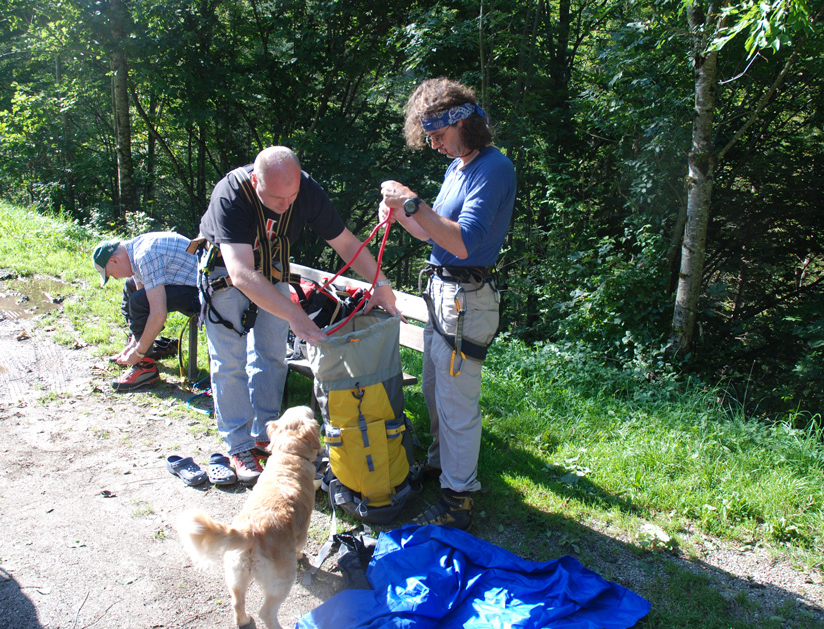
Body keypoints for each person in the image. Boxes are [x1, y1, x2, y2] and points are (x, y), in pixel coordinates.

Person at [198, 146, 398, 485]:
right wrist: (295, 314)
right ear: (256, 180)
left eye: (292, 196)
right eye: (278, 198)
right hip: (226, 272)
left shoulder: (304, 191)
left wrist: (380, 282)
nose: (287, 204)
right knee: (229, 359)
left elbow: (346, 243)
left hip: (272, 268)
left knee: (272, 353)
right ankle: (239, 445)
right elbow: (242, 273)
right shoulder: (231, 193)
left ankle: (266, 434)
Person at [379, 77, 516, 530]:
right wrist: (402, 215)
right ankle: (441, 470)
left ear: (463, 121)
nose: (434, 144)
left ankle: (460, 497)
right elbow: (432, 231)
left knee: (457, 404)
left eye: (438, 135)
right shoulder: (458, 167)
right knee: (436, 391)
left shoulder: (494, 168)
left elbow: (463, 241)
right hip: (442, 293)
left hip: (465, 298)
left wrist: (413, 204)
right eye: (430, 137)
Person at [92, 233, 199, 391]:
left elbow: (157, 313)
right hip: (184, 283)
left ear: (114, 260)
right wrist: (136, 343)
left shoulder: (145, 255)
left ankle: (144, 366)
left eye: (110, 274)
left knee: (138, 301)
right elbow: (142, 295)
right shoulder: (133, 251)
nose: (114, 278)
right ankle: (139, 348)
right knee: (131, 287)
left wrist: (138, 352)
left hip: (203, 290)